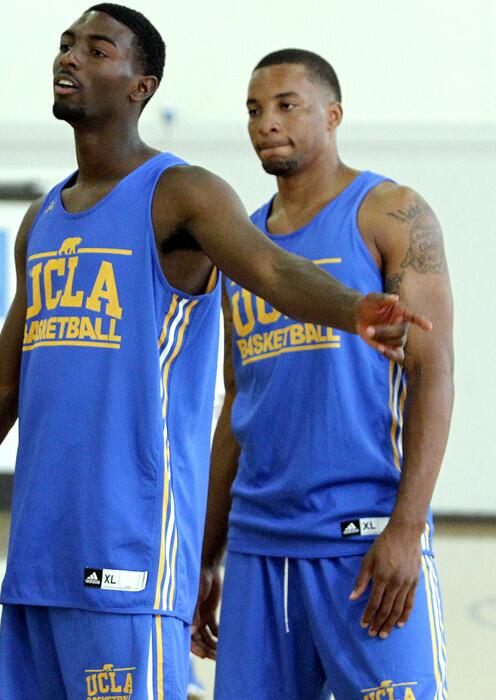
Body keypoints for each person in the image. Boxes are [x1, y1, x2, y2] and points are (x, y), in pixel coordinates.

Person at [0, 5, 429, 698]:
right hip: (35, 559)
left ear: (140, 85)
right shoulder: (43, 219)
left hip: (128, 557)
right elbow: (1, 386)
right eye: (64, 45)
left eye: (96, 48)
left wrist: (354, 307)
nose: (70, 58)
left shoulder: (181, 193)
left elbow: (269, 269)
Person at [190, 49, 452, 700]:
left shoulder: (389, 211)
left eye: (286, 105)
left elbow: (434, 374)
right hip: (259, 548)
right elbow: (236, 404)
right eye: (254, 110)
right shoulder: (243, 246)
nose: (265, 123)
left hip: (363, 540)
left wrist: (406, 529)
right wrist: (204, 551)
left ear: (333, 115)